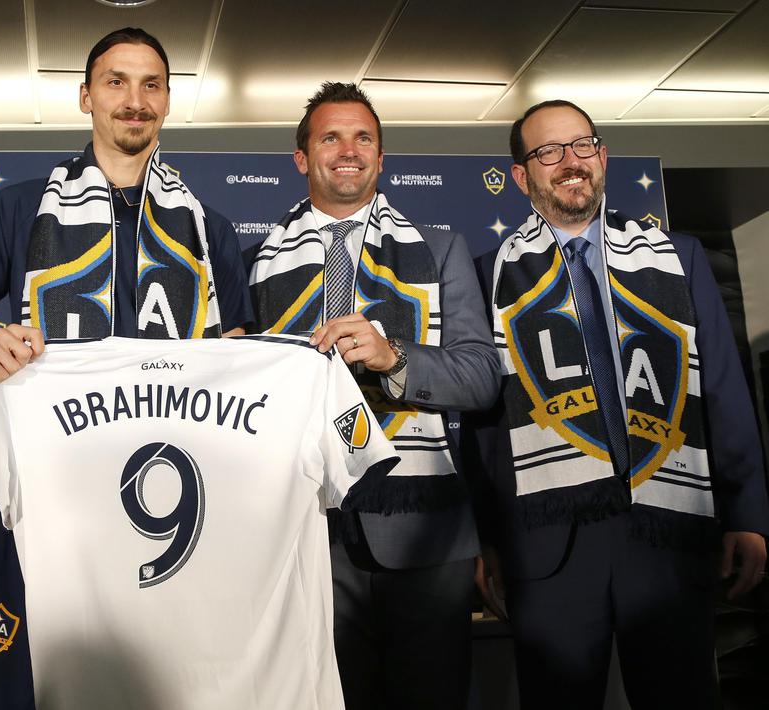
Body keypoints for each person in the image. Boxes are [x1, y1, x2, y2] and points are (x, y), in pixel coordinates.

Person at [466, 99, 769, 709]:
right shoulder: (486, 275)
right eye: (548, 151)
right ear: (523, 177)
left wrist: (748, 513)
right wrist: (483, 538)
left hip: (668, 530)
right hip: (546, 544)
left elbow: (723, 391)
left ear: (602, 157)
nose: (570, 162)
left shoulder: (678, 259)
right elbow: (480, 423)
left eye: (582, 145)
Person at [249, 82, 499, 709]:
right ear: (302, 158)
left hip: (425, 534)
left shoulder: (441, 251)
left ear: (382, 160)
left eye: (364, 138)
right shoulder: (255, 266)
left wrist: (393, 359)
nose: (349, 150)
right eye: (330, 137)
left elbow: (479, 377)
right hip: (304, 533)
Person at [0, 26, 251, 386]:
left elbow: (234, 365)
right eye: (116, 82)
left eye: (151, 85)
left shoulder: (209, 230)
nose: (136, 102)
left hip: (179, 437)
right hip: (55, 434)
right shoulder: (19, 209)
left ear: (167, 100)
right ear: (86, 97)